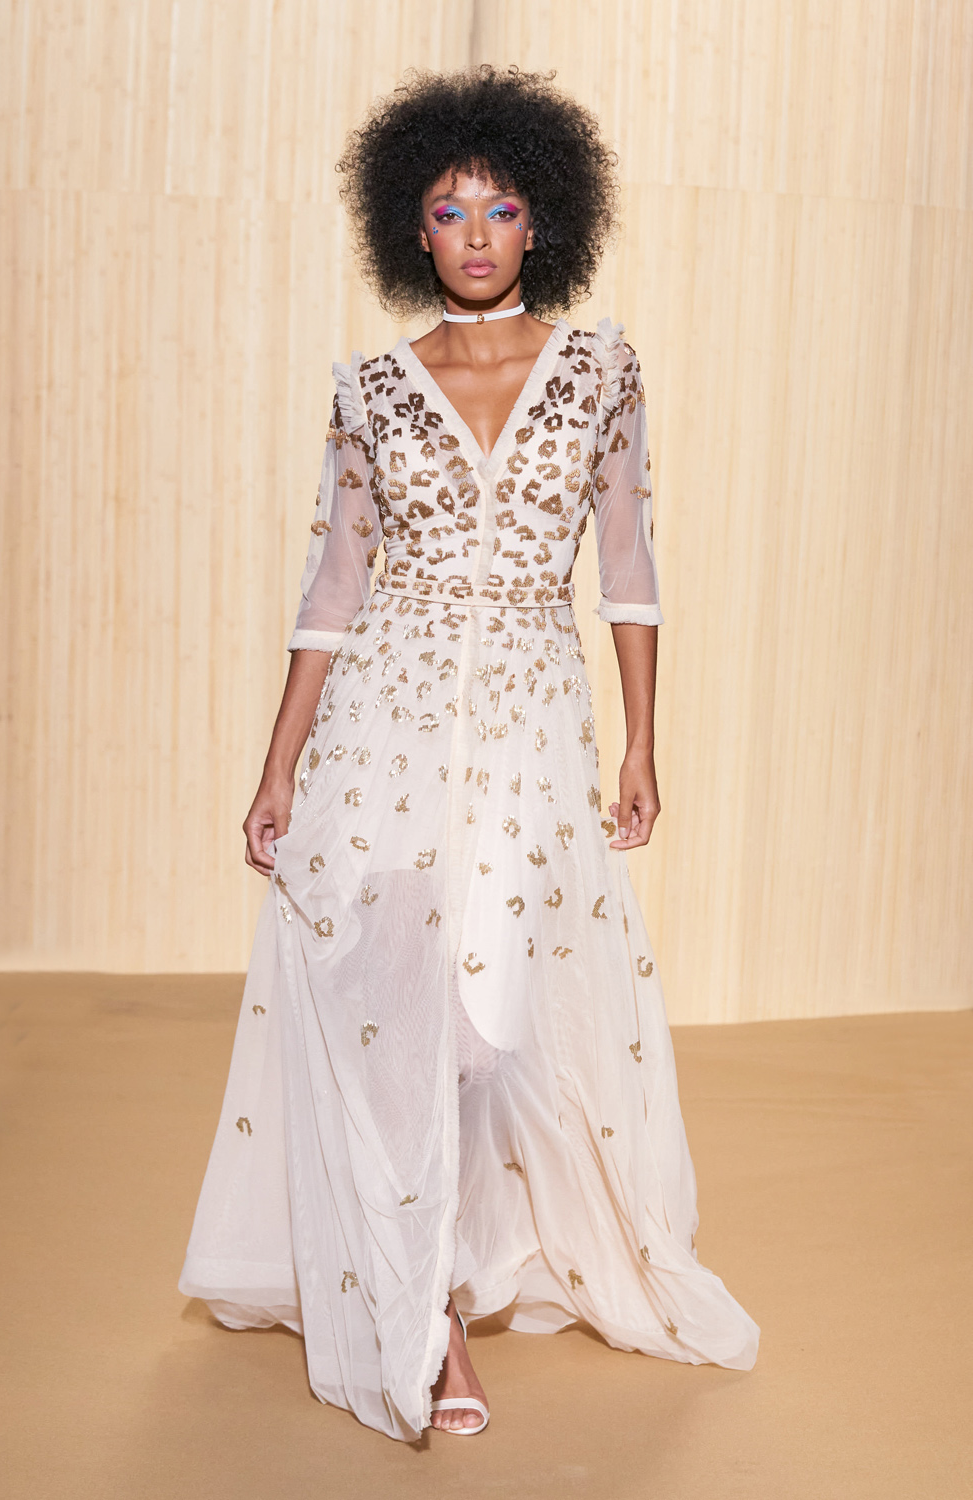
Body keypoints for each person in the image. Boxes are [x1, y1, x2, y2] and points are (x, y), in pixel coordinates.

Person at [179, 65, 758, 1441]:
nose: (478, 234)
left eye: (500, 208)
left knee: (488, 1037)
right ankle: (429, 1313)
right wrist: (277, 765)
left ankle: (446, 1265)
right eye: (450, 212)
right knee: (397, 1002)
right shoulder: (374, 389)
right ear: (415, 229)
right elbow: (333, 590)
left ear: (541, 219)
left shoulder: (601, 372)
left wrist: (644, 742)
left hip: (528, 729)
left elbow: (628, 570)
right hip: (382, 724)